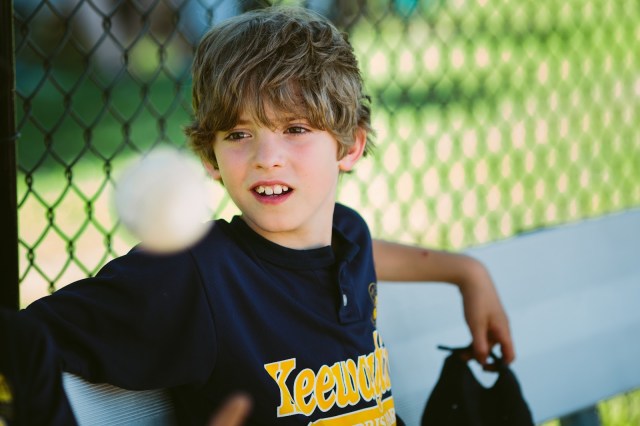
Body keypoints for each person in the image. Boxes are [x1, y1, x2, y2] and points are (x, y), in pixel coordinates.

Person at [20, 6, 513, 425]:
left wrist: (465, 272)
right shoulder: (197, 274)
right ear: (210, 158)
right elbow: (24, 340)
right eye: (238, 134)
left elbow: (349, 256)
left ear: (350, 145)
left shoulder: (346, 237)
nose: (266, 157)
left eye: (295, 128)